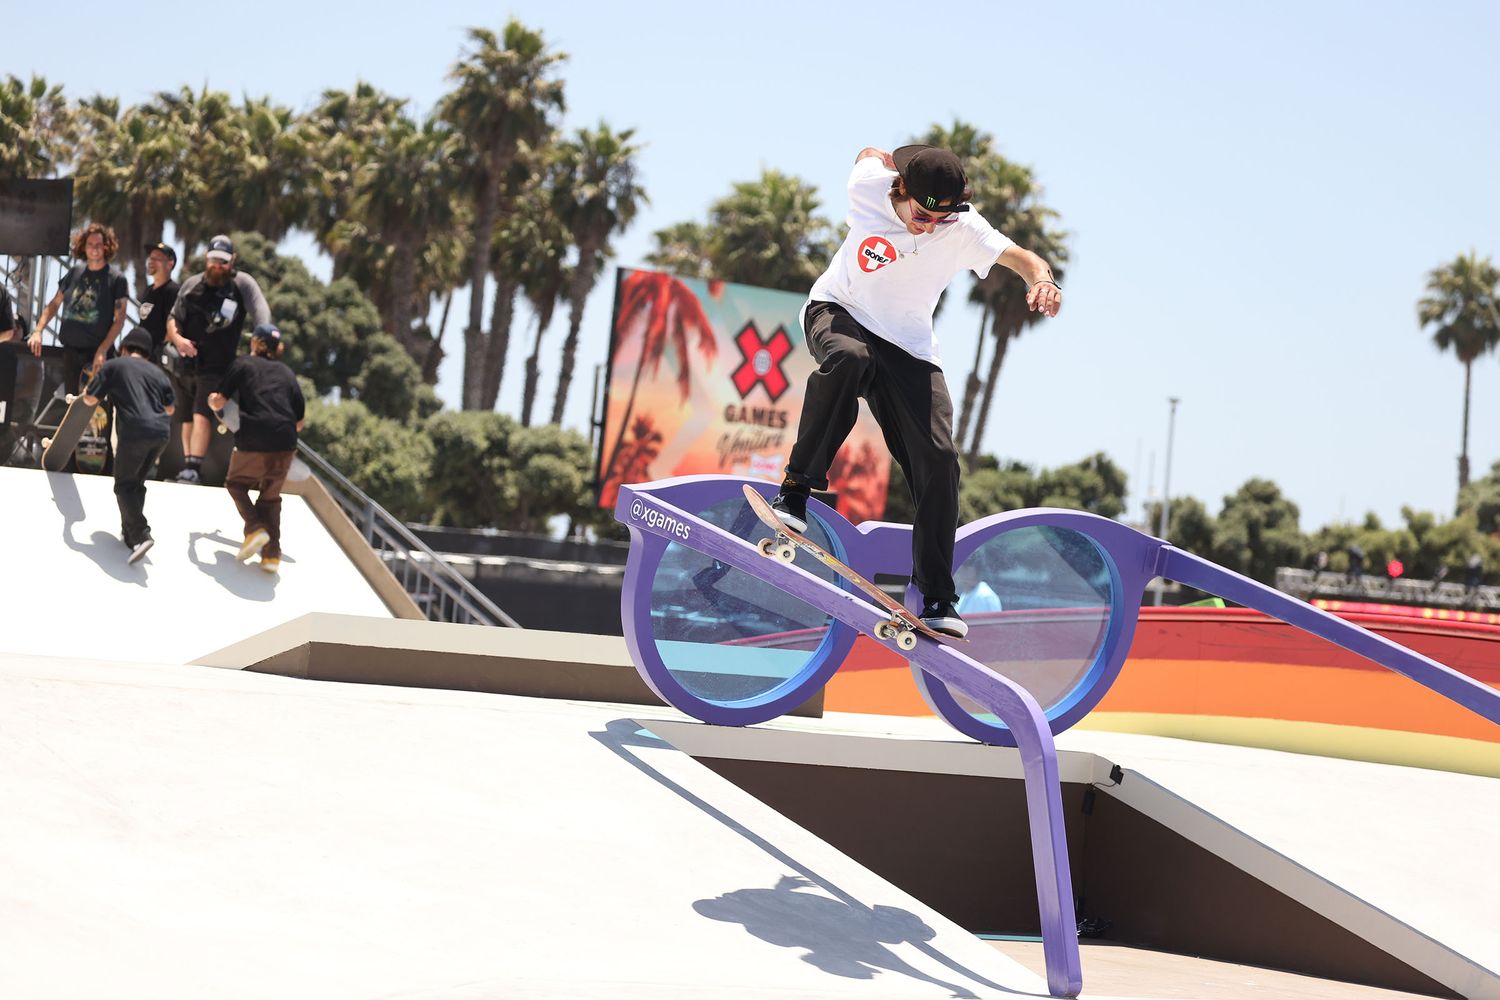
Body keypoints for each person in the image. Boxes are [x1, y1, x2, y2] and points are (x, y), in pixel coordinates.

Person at [770, 145, 1062, 638]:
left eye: (940, 219)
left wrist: (1043, 280)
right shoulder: (868, 188)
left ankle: (937, 596)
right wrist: (888, 157)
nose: (928, 228)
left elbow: (1022, 258)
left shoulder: (963, 227)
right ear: (901, 189)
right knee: (850, 359)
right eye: (921, 216)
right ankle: (796, 491)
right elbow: (867, 154)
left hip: (908, 347)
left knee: (940, 459)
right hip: (838, 311)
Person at [165, 234, 271, 483]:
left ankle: (194, 468)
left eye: (223, 261)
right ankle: (187, 467)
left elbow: (262, 313)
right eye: (214, 260)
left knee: (201, 414)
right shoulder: (192, 284)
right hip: (186, 363)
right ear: (206, 259)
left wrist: (261, 347)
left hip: (218, 365)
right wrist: (178, 340)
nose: (218, 266)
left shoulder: (241, 283)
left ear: (232, 260)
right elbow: (173, 318)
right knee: (186, 417)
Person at [208, 323, 304, 574]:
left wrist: (211, 402)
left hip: (255, 436)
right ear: (277, 348)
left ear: (254, 342)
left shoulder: (243, 364)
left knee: (236, 484)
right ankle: (271, 555)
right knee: (270, 497)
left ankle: (254, 528)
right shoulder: (287, 373)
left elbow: (220, 401)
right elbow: (300, 422)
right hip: (286, 441)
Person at [81, 327, 177, 564]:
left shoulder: (114, 366)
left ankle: (142, 533)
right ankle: (130, 535)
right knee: (136, 483)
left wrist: (87, 391)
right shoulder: (158, 373)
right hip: (161, 432)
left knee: (123, 485)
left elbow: (90, 399)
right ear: (147, 353)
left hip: (135, 432)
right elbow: (170, 409)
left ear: (124, 348)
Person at [26, 223, 130, 392]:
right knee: (71, 402)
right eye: (90, 244)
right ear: (83, 246)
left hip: (96, 355)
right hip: (71, 352)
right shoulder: (74, 272)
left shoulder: (117, 279)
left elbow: (120, 320)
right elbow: (54, 304)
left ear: (106, 246)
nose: (94, 248)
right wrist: (38, 331)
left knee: (95, 405)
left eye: (98, 244)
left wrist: (102, 350)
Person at [138, 241, 179, 357]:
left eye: (157, 258)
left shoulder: (173, 291)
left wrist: (157, 352)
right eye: (151, 258)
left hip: (158, 358)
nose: (151, 261)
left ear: (170, 264)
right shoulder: (148, 290)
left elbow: (174, 327)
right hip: (142, 353)